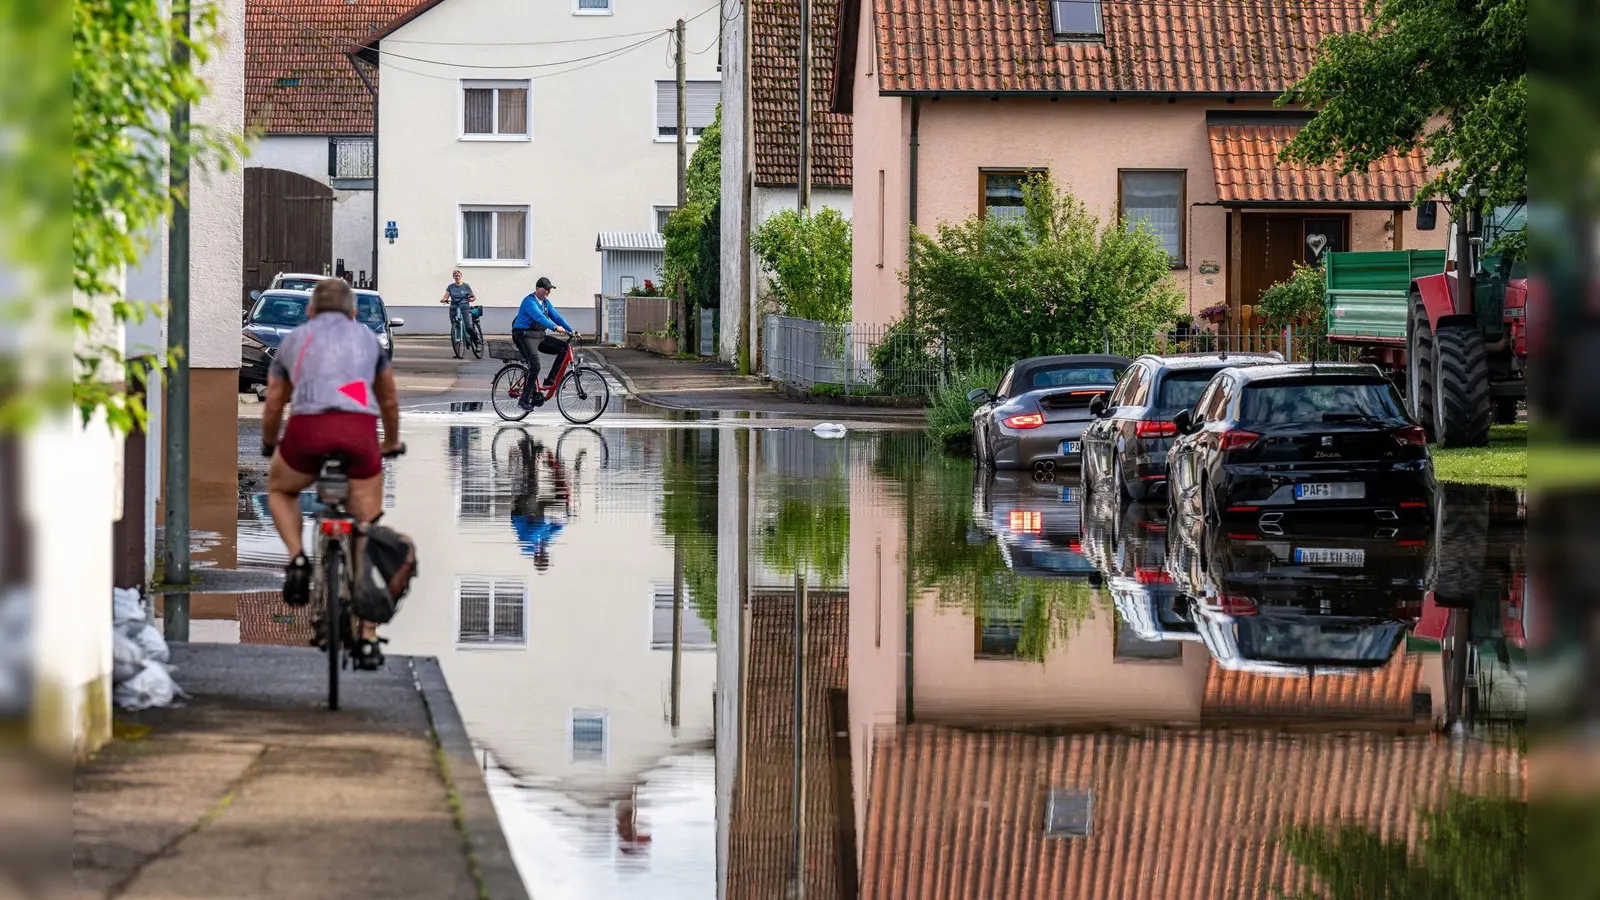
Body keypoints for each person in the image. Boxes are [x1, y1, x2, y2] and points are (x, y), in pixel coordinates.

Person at [260, 279, 402, 670]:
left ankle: (297, 559)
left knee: (280, 489)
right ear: (353, 312)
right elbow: (388, 398)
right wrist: (390, 442)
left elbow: (274, 401)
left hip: (307, 432)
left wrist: (271, 443)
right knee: (367, 527)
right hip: (358, 435)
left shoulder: (294, 340)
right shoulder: (369, 341)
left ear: (310, 311)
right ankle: (369, 636)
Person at [511, 276, 573, 409]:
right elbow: (538, 316)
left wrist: (571, 330)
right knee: (535, 365)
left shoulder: (545, 302)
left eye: (549, 290)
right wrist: (554, 327)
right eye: (546, 289)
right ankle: (524, 399)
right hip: (523, 335)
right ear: (537, 288)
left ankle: (551, 379)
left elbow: (556, 316)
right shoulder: (529, 301)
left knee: (564, 348)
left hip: (538, 335)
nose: (548, 292)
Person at [440, 270, 476, 336]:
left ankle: (476, 340)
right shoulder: (450, 287)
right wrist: (444, 299)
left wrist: (471, 299)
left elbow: (473, 297)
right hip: (453, 307)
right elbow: (446, 296)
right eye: (456, 276)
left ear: (461, 276)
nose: (457, 277)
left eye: (459, 276)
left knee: (468, 326)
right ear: (453, 277)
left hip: (464, 306)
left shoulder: (466, 286)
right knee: (454, 324)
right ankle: (457, 340)